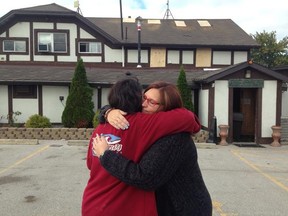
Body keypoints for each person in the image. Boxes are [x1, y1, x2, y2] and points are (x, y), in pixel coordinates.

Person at [81, 78, 201, 216]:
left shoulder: (100, 129)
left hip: (181, 208)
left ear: (167, 108)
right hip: (120, 208)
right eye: (143, 98)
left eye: (151, 102)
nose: (143, 104)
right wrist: (108, 112)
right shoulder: (144, 124)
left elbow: (91, 164)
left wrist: (106, 154)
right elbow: (190, 119)